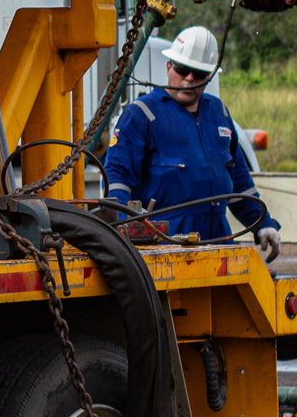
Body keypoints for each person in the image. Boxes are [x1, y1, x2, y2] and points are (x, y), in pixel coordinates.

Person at [101, 26, 282, 261]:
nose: (189, 78)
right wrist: (124, 233)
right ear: (168, 67)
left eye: (198, 73)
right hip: (165, 249)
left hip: (219, 246)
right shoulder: (142, 114)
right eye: (182, 69)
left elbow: (239, 183)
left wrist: (262, 223)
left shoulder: (219, 113)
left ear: (208, 77)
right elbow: (117, 178)